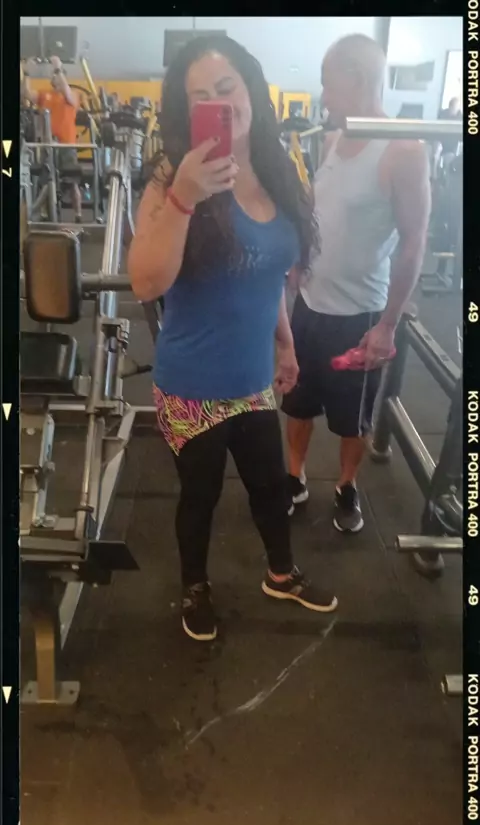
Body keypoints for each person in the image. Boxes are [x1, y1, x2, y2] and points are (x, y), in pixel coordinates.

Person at [128, 34, 338, 641]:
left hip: (251, 379)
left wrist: (285, 342)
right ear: (185, 108)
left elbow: (267, 275)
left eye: (226, 88)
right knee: (200, 495)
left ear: (251, 91)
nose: (218, 102)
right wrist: (185, 197)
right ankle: (195, 587)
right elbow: (145, 282)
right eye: (200, 96)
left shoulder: (275, 170)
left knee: (270, 486)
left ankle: (281, 573)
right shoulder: (171, 176)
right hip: (191, 383)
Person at [282, 34, 431, 533]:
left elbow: (413, 242)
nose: (324, 96)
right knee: (297, 402)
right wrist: (300, 260)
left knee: (354, 419)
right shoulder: (332, 139)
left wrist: (388, 324)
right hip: (310, 305)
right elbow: (318, 212)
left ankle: (346, 486)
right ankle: (295, 476)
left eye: (329, 84)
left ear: (359, 80)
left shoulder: (403, 150)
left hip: (360, 314)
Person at [21, 56, 82, 223]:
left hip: (66, 146)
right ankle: (44, 214)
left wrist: (58, 67)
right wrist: (27, 73)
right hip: (47, 146)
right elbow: (26, 94)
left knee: (72, 183)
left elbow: (66, 90)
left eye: (56, 75)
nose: (53, 77)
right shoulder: (44, 94)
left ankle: (78, 215)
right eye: (53, 75)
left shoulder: (72, 95)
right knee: (45, 181)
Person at [435, 96, 462, 175]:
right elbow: (437, 129)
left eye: (454, 108)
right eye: (451, 107)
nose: (452, 110)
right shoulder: (443, 114)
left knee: (449, 160)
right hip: (441, 141)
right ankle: (434, 176)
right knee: (435, 155)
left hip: (453, 145)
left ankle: (447, 175)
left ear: (457, 108)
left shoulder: (460, 118)